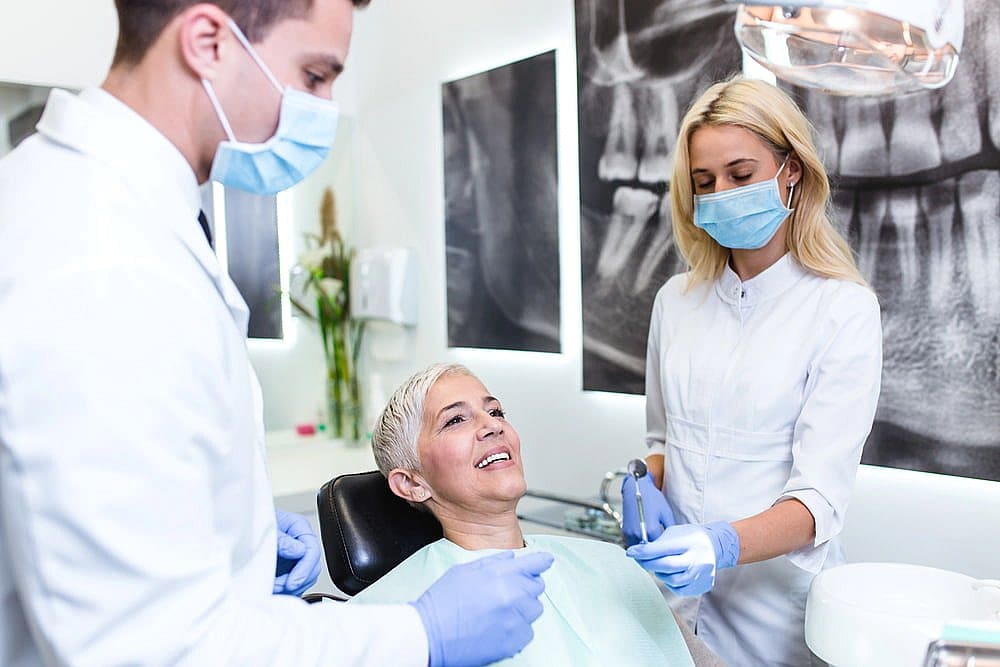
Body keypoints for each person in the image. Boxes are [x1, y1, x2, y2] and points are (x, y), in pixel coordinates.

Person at [0, 2, 552, 665]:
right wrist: (420, 636)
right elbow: (145, 648)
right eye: (315, 75)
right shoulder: (100, 256)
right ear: (207, 42)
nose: (323, 106)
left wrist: (240, 532)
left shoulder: (121, 216)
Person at [620, 76, 883, 666]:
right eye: (704, 182)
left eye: (741, 175)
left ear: (790, 170)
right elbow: (663, 440)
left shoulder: (841, 309)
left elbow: (819, 501)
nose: (720, 195)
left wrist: (722, 543)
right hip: (674, 605)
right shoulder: (676, 301)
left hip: (774, 618)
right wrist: (643, 482)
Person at [352, 362, 726, 666]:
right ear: (412, 484)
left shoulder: (613, 565)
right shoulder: (388, 619)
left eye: (495, 410)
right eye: (455, 420)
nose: (492, 425)